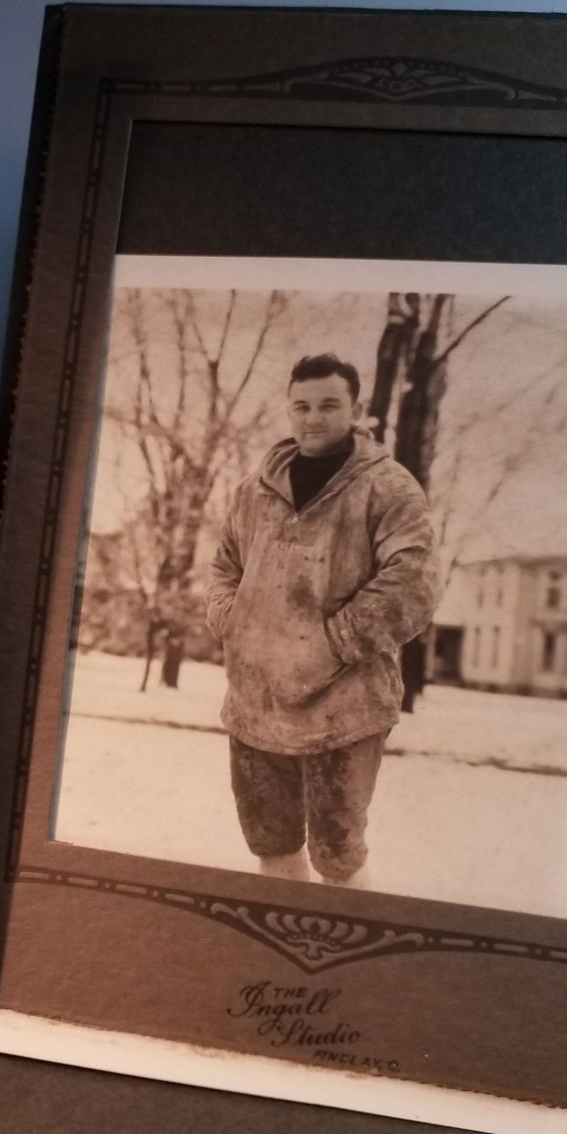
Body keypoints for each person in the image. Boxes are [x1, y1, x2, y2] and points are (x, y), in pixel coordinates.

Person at [204, 353, 439, 889]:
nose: (314, 418)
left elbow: (414, 582)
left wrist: (331, 643)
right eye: (302, 406)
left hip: (344, 709)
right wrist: (234, 621)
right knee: (271, 842)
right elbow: (223, 567)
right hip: (255, 705)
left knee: (338, 854)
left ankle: (345, 959)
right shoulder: (254, 490)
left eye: (329, 405)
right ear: (289, 410)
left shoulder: (389, 488)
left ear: (355, 409)